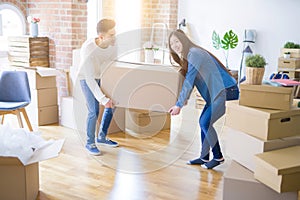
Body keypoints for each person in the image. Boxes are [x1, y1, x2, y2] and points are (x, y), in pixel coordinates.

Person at [168, 29, 239, 169]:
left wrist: (179, 105)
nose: (175, 45)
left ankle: (218, 157)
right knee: (204, 122)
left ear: (184, 40)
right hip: (216, 94)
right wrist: (184, 99)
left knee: (205, 123)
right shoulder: (188, 57)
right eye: (171, 43)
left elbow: (190, 79)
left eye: (177, 41)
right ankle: (204, 157)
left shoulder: (194, 53)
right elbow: (191, 80)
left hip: (226, 91)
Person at [78, 18, 119, 156]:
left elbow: (113, 64)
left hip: (102, 75)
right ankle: (90, 142)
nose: (114, 37)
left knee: (113, 103)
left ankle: (101, 136)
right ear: (101, 37)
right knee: (94, 110)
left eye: (115, 33)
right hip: (86, 77)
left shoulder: (114, 45)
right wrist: (102, 98)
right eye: (111, 35)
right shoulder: (88, 48)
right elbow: (90, 78)